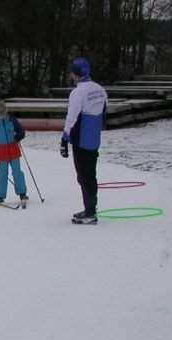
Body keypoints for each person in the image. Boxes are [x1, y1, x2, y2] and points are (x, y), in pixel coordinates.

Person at [60, 57, 108, 225]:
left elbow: (72, 116)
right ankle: (90, 209)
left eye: (72, 72)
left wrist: (65, 137)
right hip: (94, 138)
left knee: (83, 175)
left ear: (76, 74)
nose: (71, 75)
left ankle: (90, 212)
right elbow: (103, 113)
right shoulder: (99, 89)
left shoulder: (77, 92)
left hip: (80, 139)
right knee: (90, 174)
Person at [0, 100, 28, 206]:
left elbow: (21, 131)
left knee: (17, 172)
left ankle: (22, 193)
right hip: (2, 152)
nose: (2, 116)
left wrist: (19, 136)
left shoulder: (12, 120)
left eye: (3, 113)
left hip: (14, 150)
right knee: (2, 174)